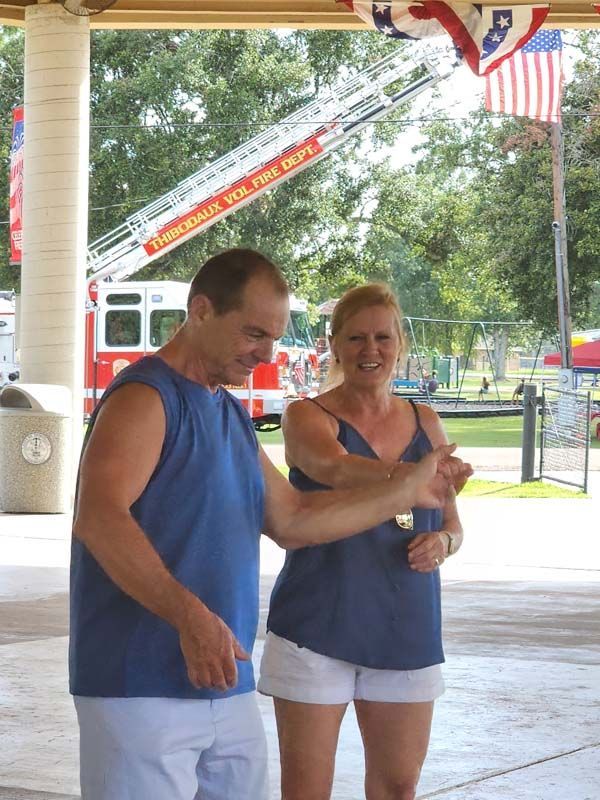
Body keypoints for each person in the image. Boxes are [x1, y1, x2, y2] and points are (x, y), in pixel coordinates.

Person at [70, 251, 471, 800]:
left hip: (222, 678)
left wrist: (405, 491)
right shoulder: (145, 397)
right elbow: (98, 516)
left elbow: (293, 517)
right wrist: (189, 617)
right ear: (201, 310)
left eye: (275, 338)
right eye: (253, 334)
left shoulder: (228, 411)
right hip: (138, 684)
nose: (265, 354)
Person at [258, 283, 468, 800]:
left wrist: (442, 541)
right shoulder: (306, 414)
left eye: (382, 337)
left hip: (406, 627)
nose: (369, 350)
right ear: (334, 344)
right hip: (317, 625)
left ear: (400, 343)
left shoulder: (426, 421)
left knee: (398, 788)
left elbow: (452, 522)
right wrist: (411, 480)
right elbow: (332, 466)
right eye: (355, 338)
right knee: (307, 791)